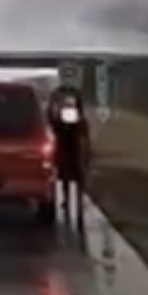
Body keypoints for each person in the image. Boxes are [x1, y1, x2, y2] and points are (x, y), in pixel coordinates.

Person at [49, 87, 91, 222]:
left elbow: (52, 123)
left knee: (67, 179)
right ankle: (76, 205)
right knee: (76, 179)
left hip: (68, 153)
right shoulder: (79, 120)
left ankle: (71, 203)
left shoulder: (63, 120)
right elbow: (85, 137)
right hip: (71, 153)